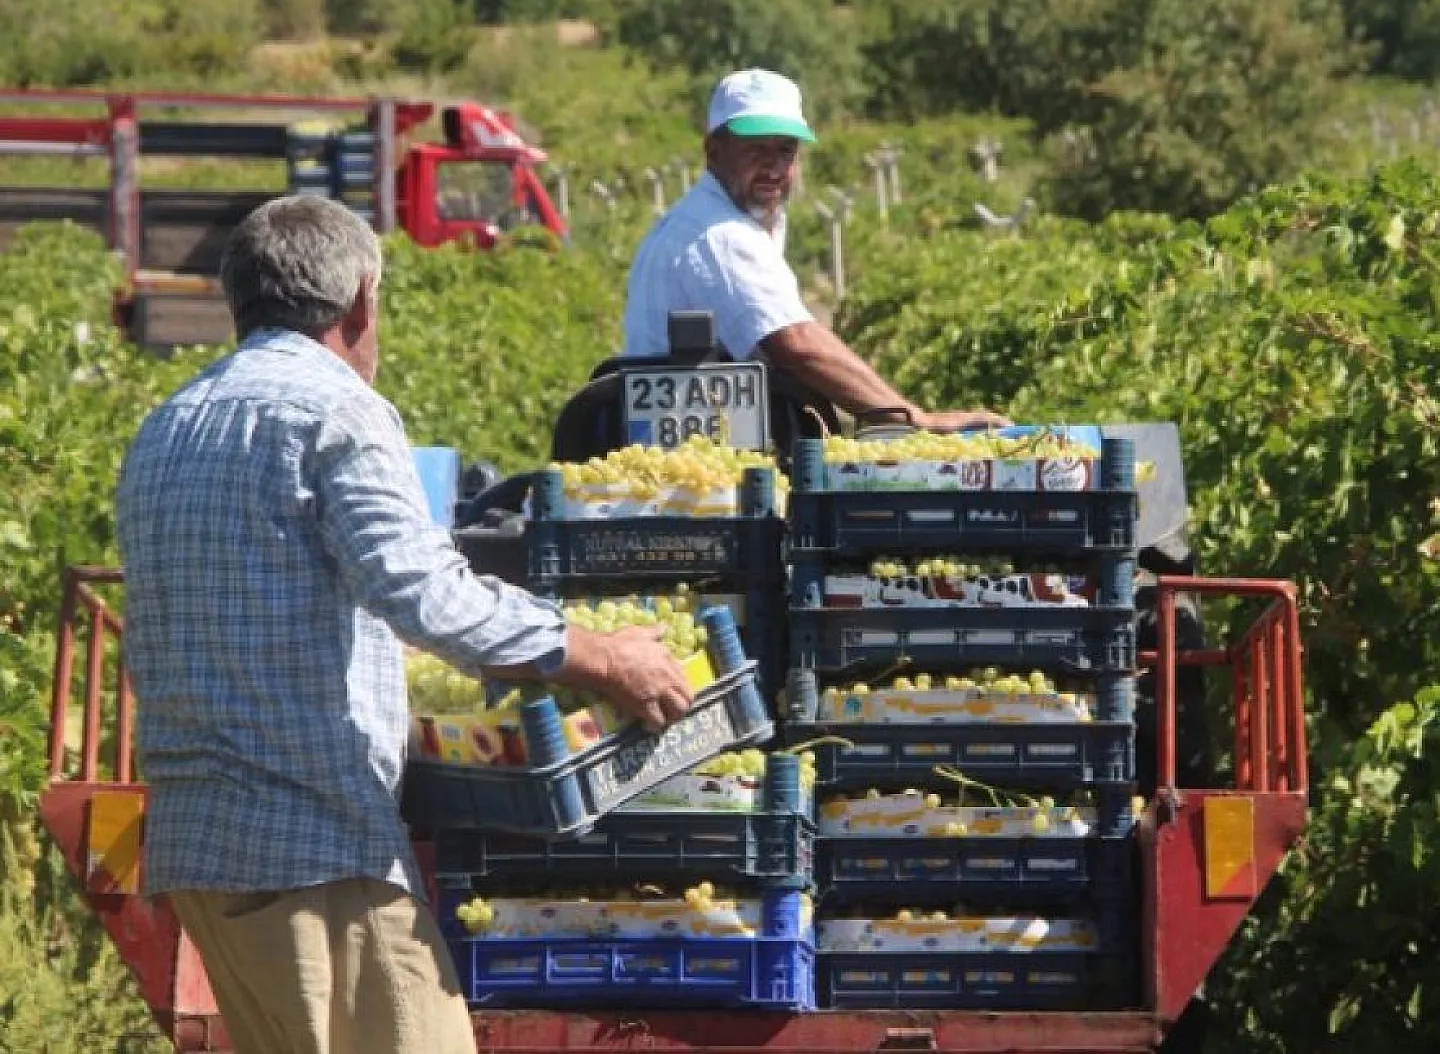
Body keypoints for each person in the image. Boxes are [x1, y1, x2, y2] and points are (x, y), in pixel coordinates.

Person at [115, 195, 694, 1054]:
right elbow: (423, 591)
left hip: (203, 848)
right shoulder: (334, 409)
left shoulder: (168, 425)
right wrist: (602, 657)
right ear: (359, 303)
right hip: (312, 847)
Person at [623, 67, 1007, 433]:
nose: (774, 166)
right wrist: (913, 419)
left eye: (786, 150)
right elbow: (798, 345)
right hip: (700, 458)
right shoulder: (719, 234)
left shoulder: (700, 219)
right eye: (756, 149)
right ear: (714, 151)